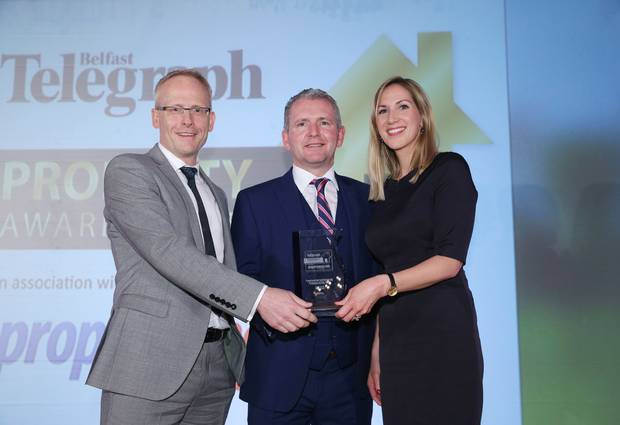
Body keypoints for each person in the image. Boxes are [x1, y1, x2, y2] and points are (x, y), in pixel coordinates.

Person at [86, 69, 317, 425]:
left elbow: (223, 273)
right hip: (148, 365)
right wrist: (261, 299)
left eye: (198, 110)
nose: (187, 120)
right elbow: (169, 252)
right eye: (175, 109)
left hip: (216, 369)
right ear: (155, 116)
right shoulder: (130, 171)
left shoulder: (216, 193)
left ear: (211, 120)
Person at [336, 76, 484, 425]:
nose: (392, 118)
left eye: (403, 106)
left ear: (422, 118)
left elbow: (449, 260)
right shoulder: (383, 191)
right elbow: (381, 270)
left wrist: (382, 284)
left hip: (444, 336)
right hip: (396, 345)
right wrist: (376, 353)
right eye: (382, 111)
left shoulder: (449, 169)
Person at [231, 88, 376, 425]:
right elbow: (240, 279)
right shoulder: (254, 202)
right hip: (276, 373)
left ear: (340, 136)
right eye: (302, 124)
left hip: (349, 378)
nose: (313, 133)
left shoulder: (369, 200)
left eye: (324, 123)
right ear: (286, 138)